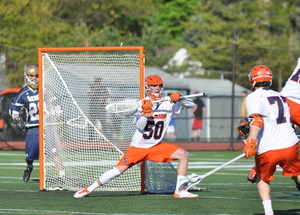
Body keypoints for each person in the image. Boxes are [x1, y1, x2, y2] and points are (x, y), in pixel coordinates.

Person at [74, 75, 199, 198]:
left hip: (155, 145)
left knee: (183, 154)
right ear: (147, 87)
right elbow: (141, 127)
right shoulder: (142, 104)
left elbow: (191, 104)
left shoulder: (168, 102)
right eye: (153, 85)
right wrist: (146, 114)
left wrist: (180, 98)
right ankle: (88, 189)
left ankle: (179, 191)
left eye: (159, 85)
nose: (157, 87)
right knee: (117, 171)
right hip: (138, 147)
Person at [241, 65, 300, 215]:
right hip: (289, 143)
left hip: (268, 146)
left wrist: (252, 139)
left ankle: (268, 212)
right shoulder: (281, 96)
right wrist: (248, 128)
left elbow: (257, 120)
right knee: (297, 173)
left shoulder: (253, 97)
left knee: (262, 178)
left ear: (252, 80)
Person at [9, 65, 65, 182]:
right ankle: (29, 167)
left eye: (36, 75)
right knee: (30, 156)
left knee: (54, 151)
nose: (34, 78)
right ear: (27, 77)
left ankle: (63, 175)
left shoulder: (45, 89)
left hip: (46, 126)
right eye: (31, 76)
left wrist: (58, 115)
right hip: (33, 127)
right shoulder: (23, 92)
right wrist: (17, 118)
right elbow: (13, 109)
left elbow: (56, 104)